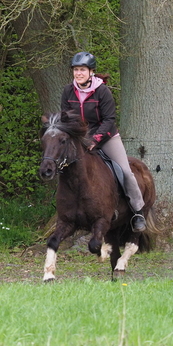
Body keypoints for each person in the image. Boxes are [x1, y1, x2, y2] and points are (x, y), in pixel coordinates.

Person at [61, 51, 147, 232]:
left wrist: (95, 139)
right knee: (63, 165)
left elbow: (109, 119)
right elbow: (66, 118)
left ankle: (138, 211)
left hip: (106, 136)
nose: (78, 73)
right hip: (79, 138)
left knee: (125, 171)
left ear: (91, 72)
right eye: (76, 70)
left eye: (82, 70)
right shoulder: (68, 90)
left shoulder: (102, 91)